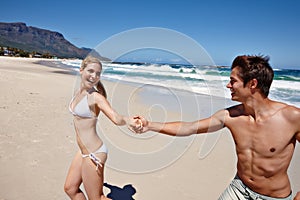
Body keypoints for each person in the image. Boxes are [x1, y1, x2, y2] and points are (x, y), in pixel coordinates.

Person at [133, 55, 300, 199]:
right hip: (239, 189)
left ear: (252, 84)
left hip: (273, 197)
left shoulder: (291, 117)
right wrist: (150, 125)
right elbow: (189, 128)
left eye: (233, 81)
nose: (228, 85)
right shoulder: (230, 116)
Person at [64, 56, 141, 200]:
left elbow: (116, 118)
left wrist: (128, 120)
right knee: (70, 188)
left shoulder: (96, 97)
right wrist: (111, 187)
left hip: (94, 153)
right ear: (81, 70)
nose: (94, 76)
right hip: (82, 152)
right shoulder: (79, 93)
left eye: (98, 73)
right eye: (91, 71)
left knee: (97, 198)